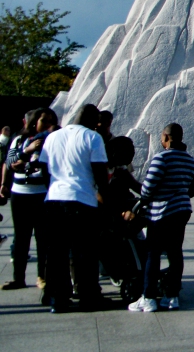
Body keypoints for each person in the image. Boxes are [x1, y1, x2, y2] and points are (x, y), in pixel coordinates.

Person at [38, 103, 111, 313]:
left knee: (56, 253)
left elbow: (44, 168)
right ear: (93, 120)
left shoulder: (53, 137)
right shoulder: (92, 138)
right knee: (84, 252)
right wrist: (105, 200)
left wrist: (52, 188)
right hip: (82, 199)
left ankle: (58, 299)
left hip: (54, 199)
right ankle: (88, 296)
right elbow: (100, 173)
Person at [126, 123, 194, 312]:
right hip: (182, 210)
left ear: (166, 137)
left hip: (161, 212)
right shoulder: (190, 160)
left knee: (153, 253)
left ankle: (148, 297)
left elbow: (147, 189)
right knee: (175, 252)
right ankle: (172, 296)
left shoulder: (161, 159)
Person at [0, 109, 51, 290]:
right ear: (34, 121)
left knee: (43, 238)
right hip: (20, 192)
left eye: (49, 121)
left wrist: (27, 163)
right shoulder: (19, 139)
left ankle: (41, 276)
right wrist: (28, 151)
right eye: (43, 121)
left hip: (41, 193)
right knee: (21, 237)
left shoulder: (50, 140)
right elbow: (11, 162)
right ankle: (18, 278)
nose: (46, 125)